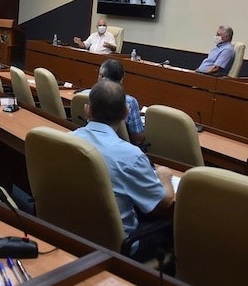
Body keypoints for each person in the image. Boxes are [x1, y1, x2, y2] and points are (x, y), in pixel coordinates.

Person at [70, 80, 174, 259]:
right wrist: (164, 177)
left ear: (87, 110)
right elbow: (163, 205)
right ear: (126, 113)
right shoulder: (131, 156)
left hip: (71, 230)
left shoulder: (68, 139)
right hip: (117, 247)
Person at [96, 59, 145, 146]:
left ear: (101, 76)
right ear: (121, 80)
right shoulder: (129, 102)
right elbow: (138, 138)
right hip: (117, 146)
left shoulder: (86, 94)